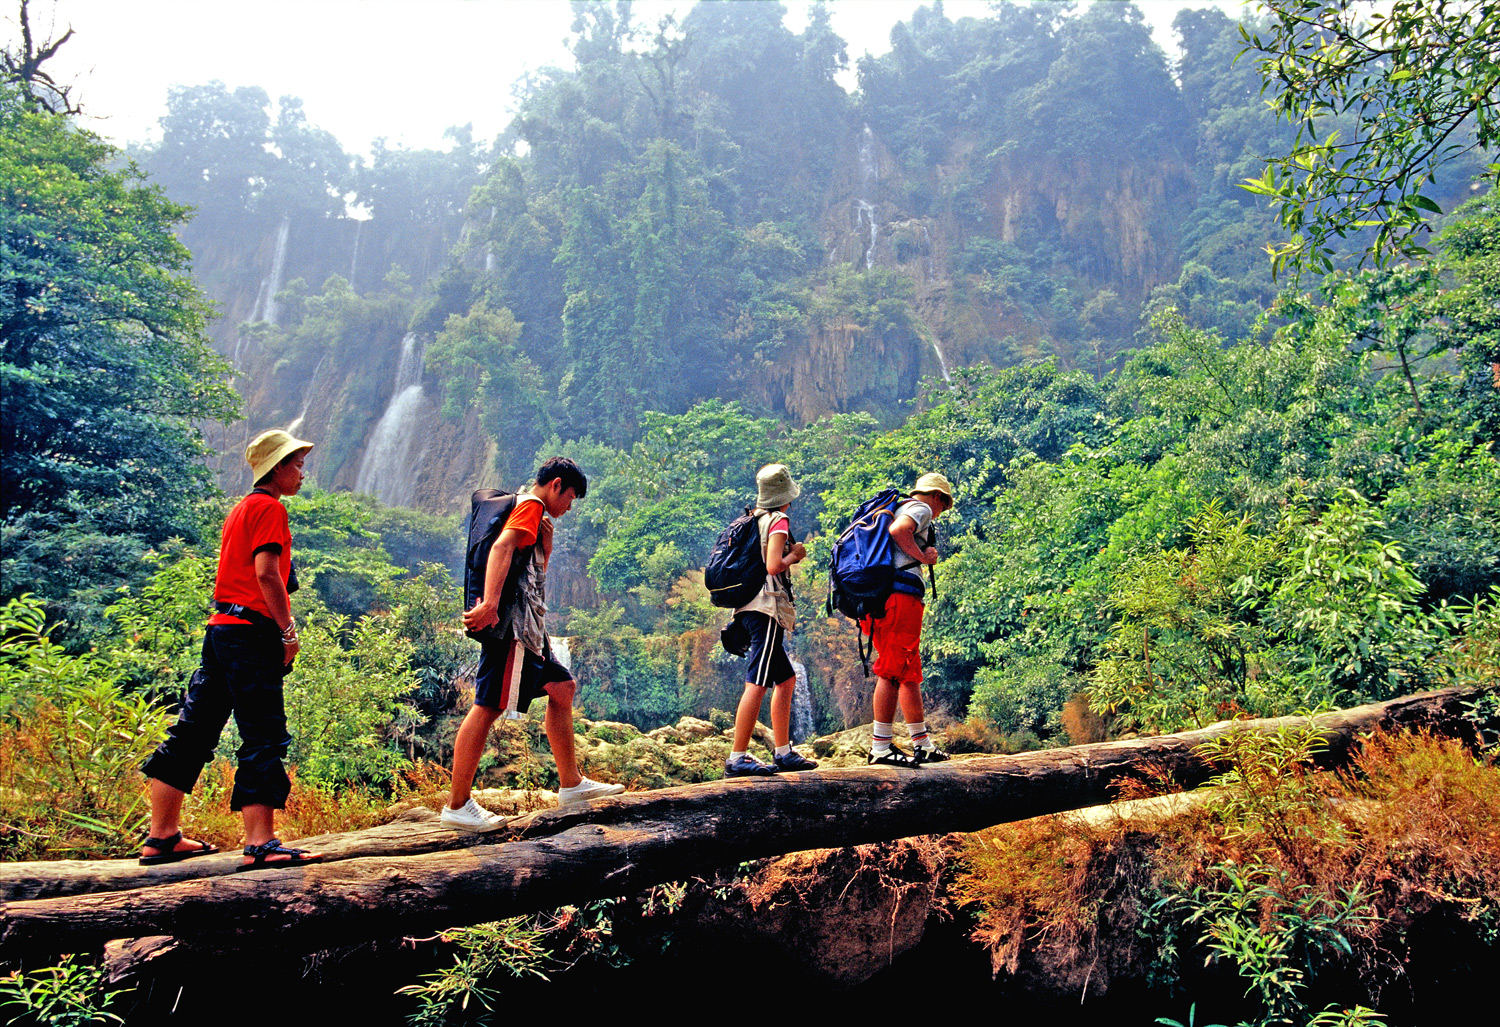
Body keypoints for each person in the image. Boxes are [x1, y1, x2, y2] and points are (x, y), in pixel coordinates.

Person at [140, 429, 325, 870]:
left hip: (221, 629)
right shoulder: (269, 509)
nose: (302, 472)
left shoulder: (241, 508)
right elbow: (267, 574)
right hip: (251, 634)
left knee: (193, 730)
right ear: (276, 468)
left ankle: (161, 836)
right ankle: (260, 843)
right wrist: (288, 630)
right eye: (296, 464)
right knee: (263, 732)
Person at [443, 457, 624, 832]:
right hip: (511, 629)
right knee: (488, 706)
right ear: (556, 485)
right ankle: (457, 805)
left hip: (529, 631)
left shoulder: (535, 515)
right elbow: (502, 549)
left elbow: (529, 571)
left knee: (562, 687)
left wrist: (548, 546)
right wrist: (490, 604)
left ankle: (571, 784)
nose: (570, 507)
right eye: (571, 497)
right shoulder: (531, 505)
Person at [723, 464, 820, 777]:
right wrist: (797, 554)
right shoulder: (778, 520)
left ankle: (783, 751)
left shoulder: (754, 519)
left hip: (749, 606)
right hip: (765, 609)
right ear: (786, 496)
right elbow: (774, 565)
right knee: (758, 681)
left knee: (786, 678)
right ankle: (737, 757)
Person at [865, 473, 955, 768]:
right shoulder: (921, 508)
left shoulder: (900, 505)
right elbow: (899, 531)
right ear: (937, 497)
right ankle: (880, 746)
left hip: (883, 598)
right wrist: (922, 557)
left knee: (908, 672)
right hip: (900, 597)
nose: (941, 511)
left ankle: (922, 744)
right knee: (891, 670)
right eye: (944, 504)